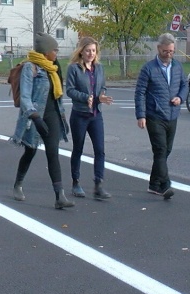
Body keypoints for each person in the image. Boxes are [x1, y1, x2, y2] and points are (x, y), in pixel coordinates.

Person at [9, 32, 74, 209]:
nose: (57, 53)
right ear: (46, 52)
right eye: (55, 49)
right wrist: (35, 117)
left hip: (53, 114)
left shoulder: (54, 67)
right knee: (30, 151)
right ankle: (18, 184)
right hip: (35, 116)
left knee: (53, 152)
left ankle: (59, 196)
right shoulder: (30, 68)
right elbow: (25, 97)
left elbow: (58, 95)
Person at [134, 33, 188, 200]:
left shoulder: (177, 67)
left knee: (166, 151)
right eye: (165, 51)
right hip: (154, 115)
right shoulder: (149, 68)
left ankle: (154, 184)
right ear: (158, 49)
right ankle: (165, 185)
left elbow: (185, 84)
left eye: (171, 51)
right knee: (160, 150)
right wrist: (141, 115)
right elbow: (140, 92)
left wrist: (180, 97)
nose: (168, 54)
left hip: (172, 115)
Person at [65, 36, 114, 200]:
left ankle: (98, 184)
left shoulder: (99, 68)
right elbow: (70, 90)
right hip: (80, 115)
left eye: (93, 50)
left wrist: (102, 96)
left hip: (96, 115)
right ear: (81, 51)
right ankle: (75, 183)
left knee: (100, 150)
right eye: (88, 50)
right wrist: (85, 97)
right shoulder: (74, 69)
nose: (91, 53)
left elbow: (103, 86)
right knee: (78, 149)